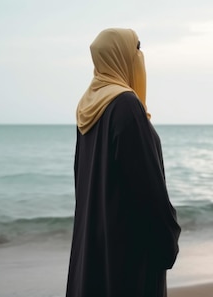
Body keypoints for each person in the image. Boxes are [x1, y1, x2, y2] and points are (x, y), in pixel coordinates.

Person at [66, 28, 181, 297]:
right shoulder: (125, 105)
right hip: (128, 258)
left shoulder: (88, 106)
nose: (140, 57)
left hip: (95, 251)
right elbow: (148, 189)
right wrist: (168, 241)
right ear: (121, 57)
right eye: (136, 49)